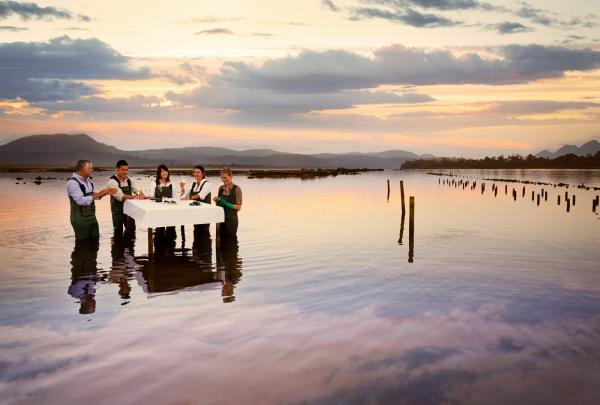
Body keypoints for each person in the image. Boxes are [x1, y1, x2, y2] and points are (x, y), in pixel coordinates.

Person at [66, 159, 116, 241]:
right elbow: (80, 200)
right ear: (81, 169)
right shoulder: (72, 183)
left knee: (96, 241)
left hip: (92, 217)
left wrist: (105, 193)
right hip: (80, 220)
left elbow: (92, 196)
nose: (92, 170)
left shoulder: (88, 180)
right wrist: (99, 193)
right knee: (82, 245)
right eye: (89, 168)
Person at [107, 160, 145, 234]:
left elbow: (136, 190)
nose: (125, 172)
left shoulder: (129, 180)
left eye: (127, 170)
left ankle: (130, 245)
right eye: (123, 170)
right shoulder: (112, 182)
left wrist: (141, 194)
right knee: (118, 232)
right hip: (117, 211)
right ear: (117, 169)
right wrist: (135, 197)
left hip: (129, 210)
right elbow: (121, 196)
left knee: (132, 231)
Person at [181, 165, 211, 235]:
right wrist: (182, 188)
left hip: (205, 214)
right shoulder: (193, 184)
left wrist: (190, 198)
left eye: (198, 172)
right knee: (196, 232)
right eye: (194, 172)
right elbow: (184, 196)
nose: (196, 174)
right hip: (196, 214)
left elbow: (201, 195)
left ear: (203, 174)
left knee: (204, 233)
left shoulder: (207, 184)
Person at [213, 167, 242, 238]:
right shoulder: (220, 188)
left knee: (231, 243)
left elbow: (238, 207)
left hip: (231, 221)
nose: (223, 180)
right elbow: (219, 205)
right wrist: (217, 201)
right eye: (222, 178)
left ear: (231, 177)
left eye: (225, 178)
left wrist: (226, 203)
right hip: (220, 219)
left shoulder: (237, 189)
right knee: (221, 242)